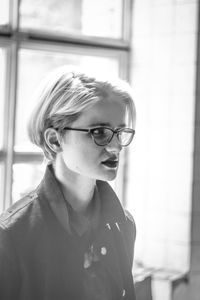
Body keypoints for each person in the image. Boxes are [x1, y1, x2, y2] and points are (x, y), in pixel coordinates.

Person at [0, 66, 136, 300]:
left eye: (120, 131)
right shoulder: (10, 236)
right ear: (54, 140)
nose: (115, 147)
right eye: (100, 132)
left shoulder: (124, 225)